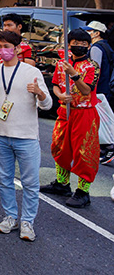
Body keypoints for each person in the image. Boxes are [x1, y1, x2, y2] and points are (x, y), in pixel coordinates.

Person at [0, 30, 51, 242]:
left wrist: (40, 93)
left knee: (30, 183)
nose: (3, 50)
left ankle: (27, 222)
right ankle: (10, 217)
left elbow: (47, 104)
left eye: (7, 46)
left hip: (27, 137)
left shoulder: (31, 71)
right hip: (1, 135)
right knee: (4, 180)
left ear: (17, 48)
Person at [40, 29, 101, 209]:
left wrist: (74, 74)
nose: (78, 46)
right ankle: (62, 184)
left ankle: (83, 191)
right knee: (60, 147)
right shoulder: (61, 64)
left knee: (84, 152)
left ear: (89, 46)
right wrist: (61, 95)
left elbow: (86, 90)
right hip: (65, 111)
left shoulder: (92, 66)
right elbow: (56, 85)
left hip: (85, 113)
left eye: (83, 44)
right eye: (75, 43)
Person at [85, 20, 114, 164]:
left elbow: (95, 69)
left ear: (97, 33)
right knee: (105, 118)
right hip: (106, 87)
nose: (87, 33)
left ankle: (108, 148)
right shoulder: (107, 46)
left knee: (99, 120)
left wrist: (89, 88)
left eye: (90, 31)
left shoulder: (96, 48)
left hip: (98, 89)